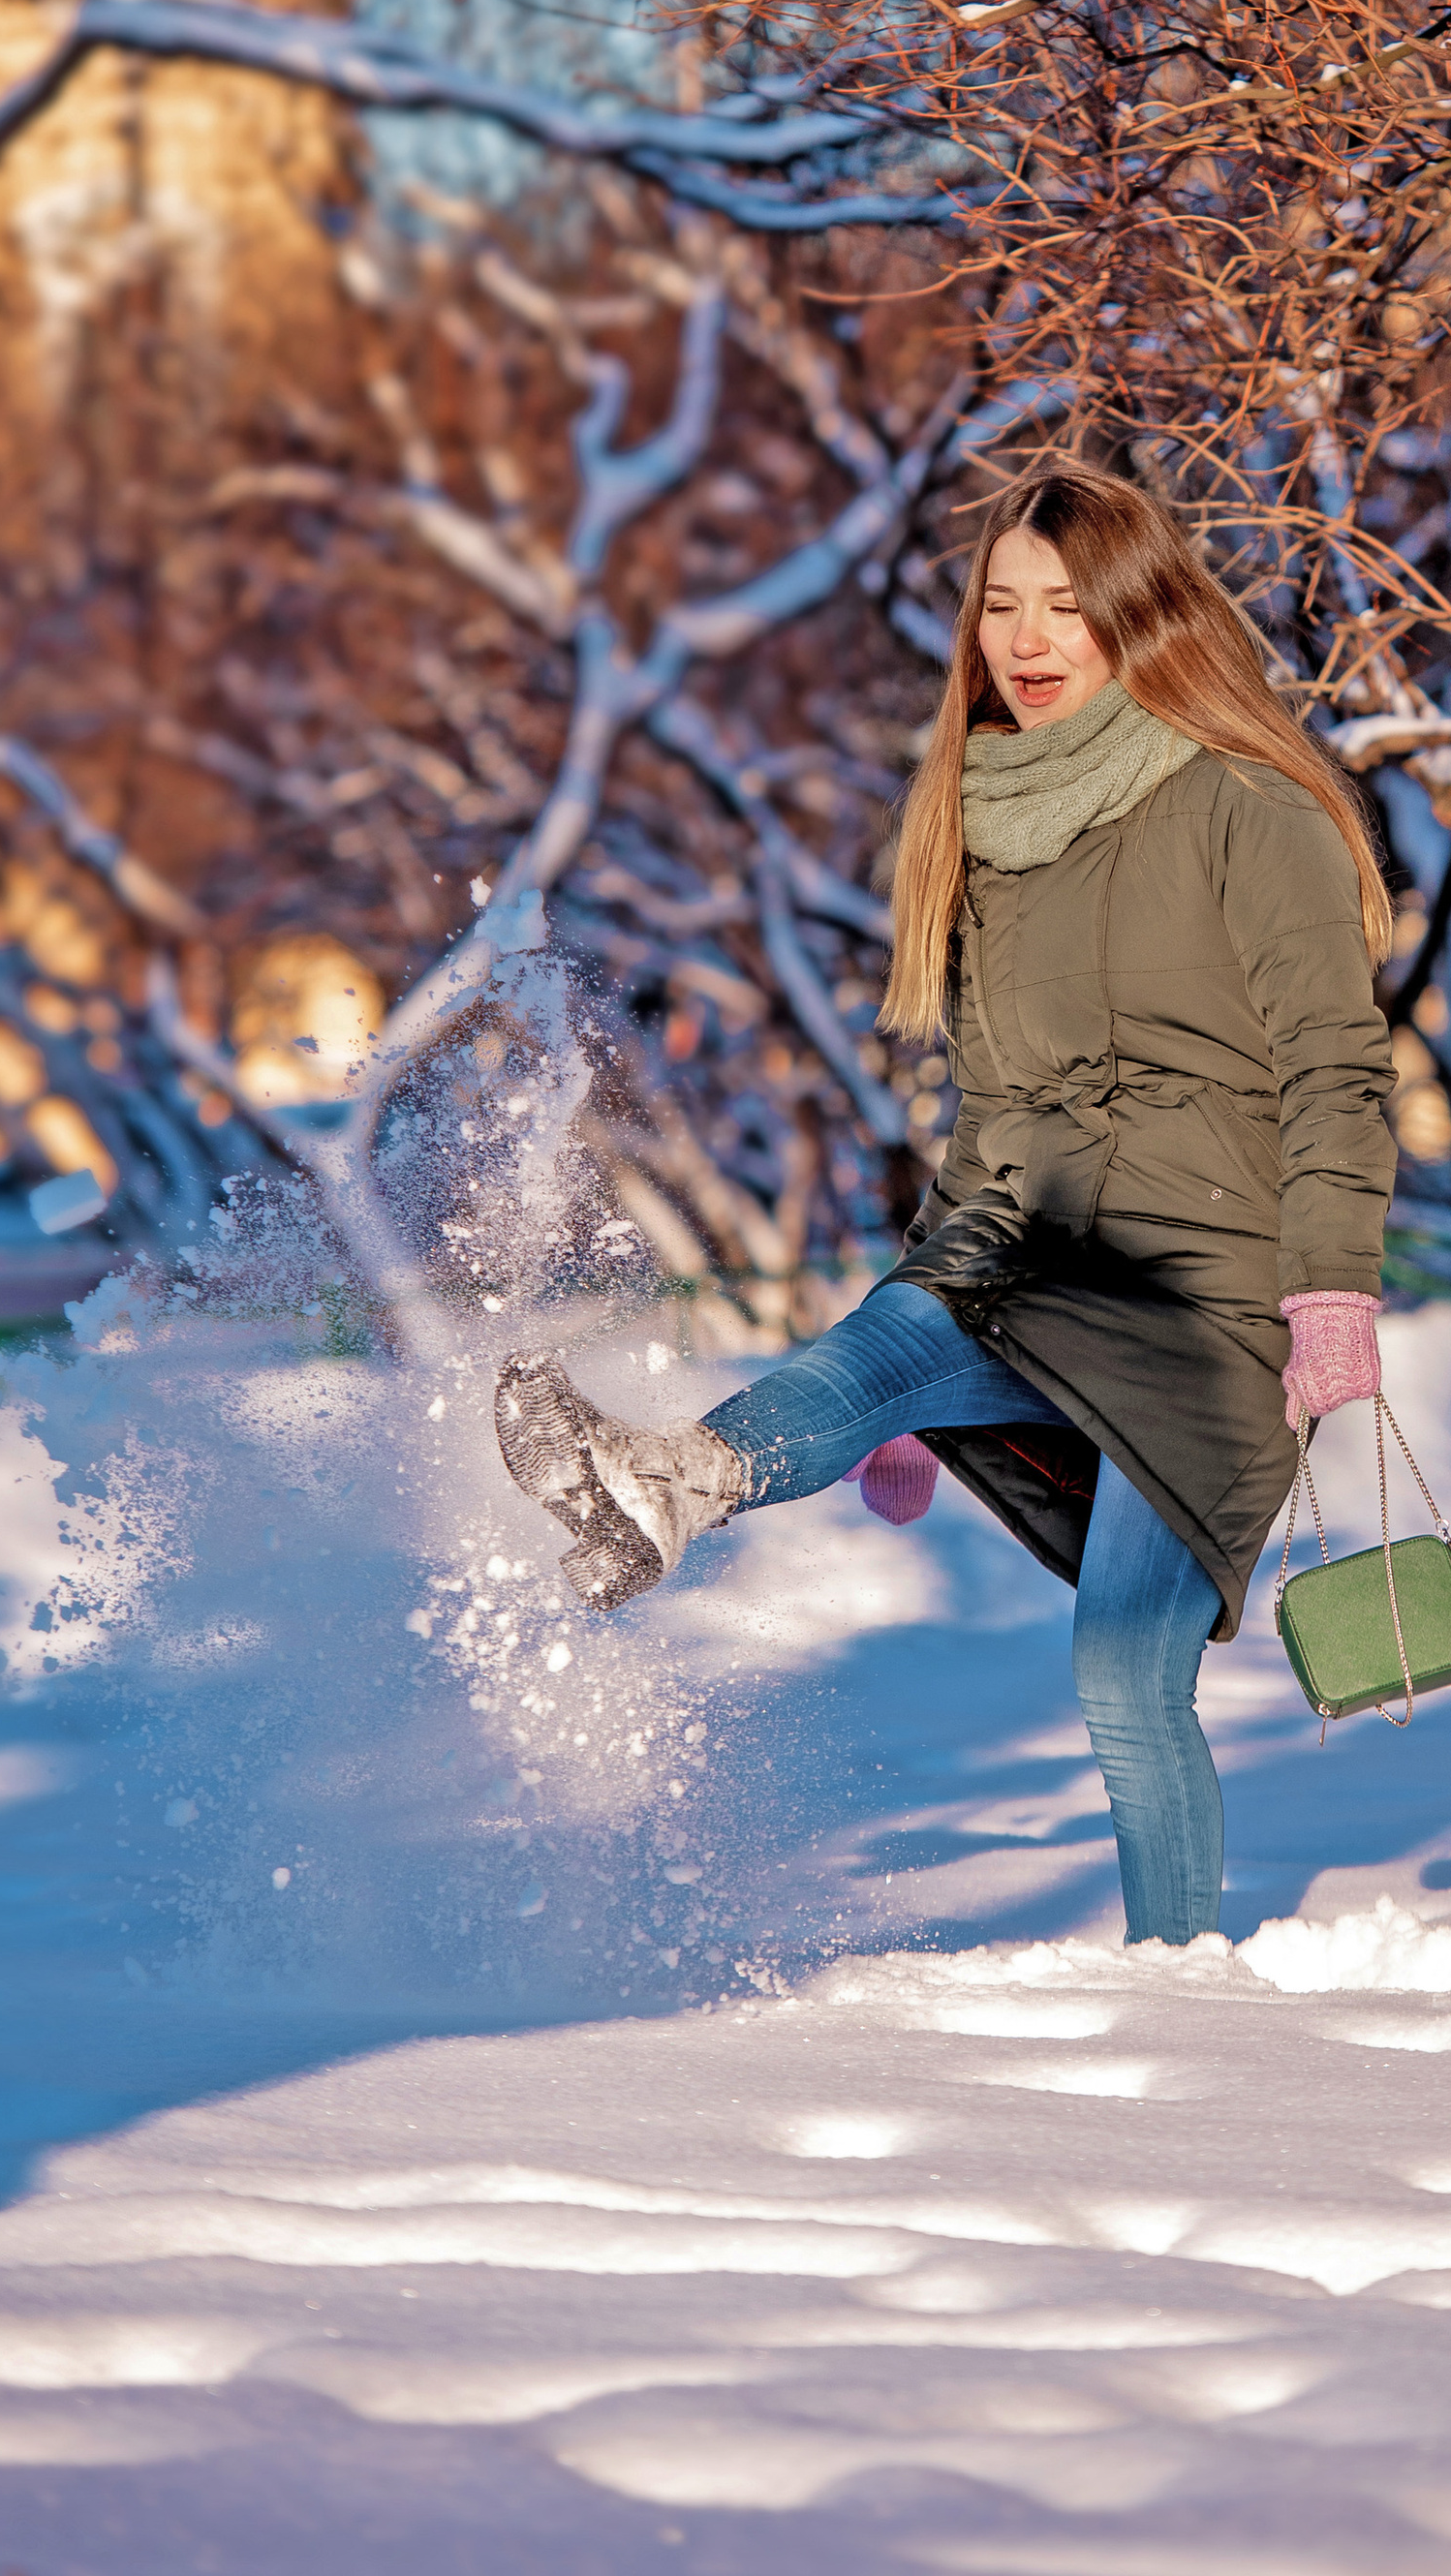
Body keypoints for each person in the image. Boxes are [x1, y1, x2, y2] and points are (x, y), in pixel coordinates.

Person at [493, 462, 1398, 1945]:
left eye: (1067, 608)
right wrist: (900, 1391)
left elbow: (1336, 1067)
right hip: (1038, 1263)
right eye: (1001, 606)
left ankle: (1179, 1984)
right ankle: (678, 1481)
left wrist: (1333, 1286)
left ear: (1142, 617)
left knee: (1126, 1680)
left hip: (1212, 1311)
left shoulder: (1250, 806)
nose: (1027, 640)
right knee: (900, 1327)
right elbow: (997, 1126)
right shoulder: (988, 829)